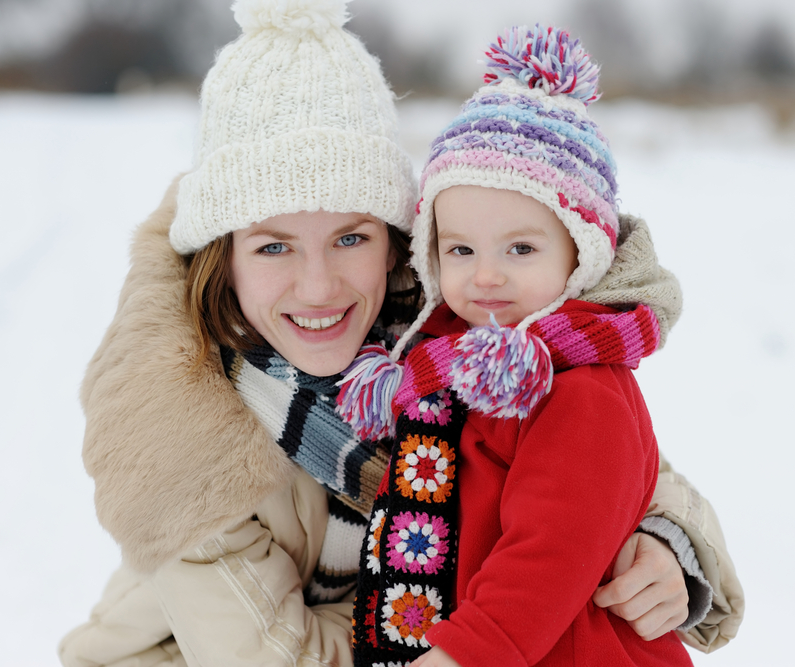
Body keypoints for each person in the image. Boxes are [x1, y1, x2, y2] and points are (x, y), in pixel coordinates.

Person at [59, 3, 743, 667]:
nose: (320, 286)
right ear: (222, 256)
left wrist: (662, 543)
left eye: (349, 237)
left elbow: (601, 453)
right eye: (273, 248)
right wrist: (481, 628)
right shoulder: (180, 442)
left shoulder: (439, 331)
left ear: (396, 244)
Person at [338, 25, 724, 667]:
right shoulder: (441, 365)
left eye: (521, 248)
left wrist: (465, 654)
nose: (486, 275)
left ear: (582, 254)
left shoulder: (580, 387)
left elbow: (552, 551)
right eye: (461, 249)